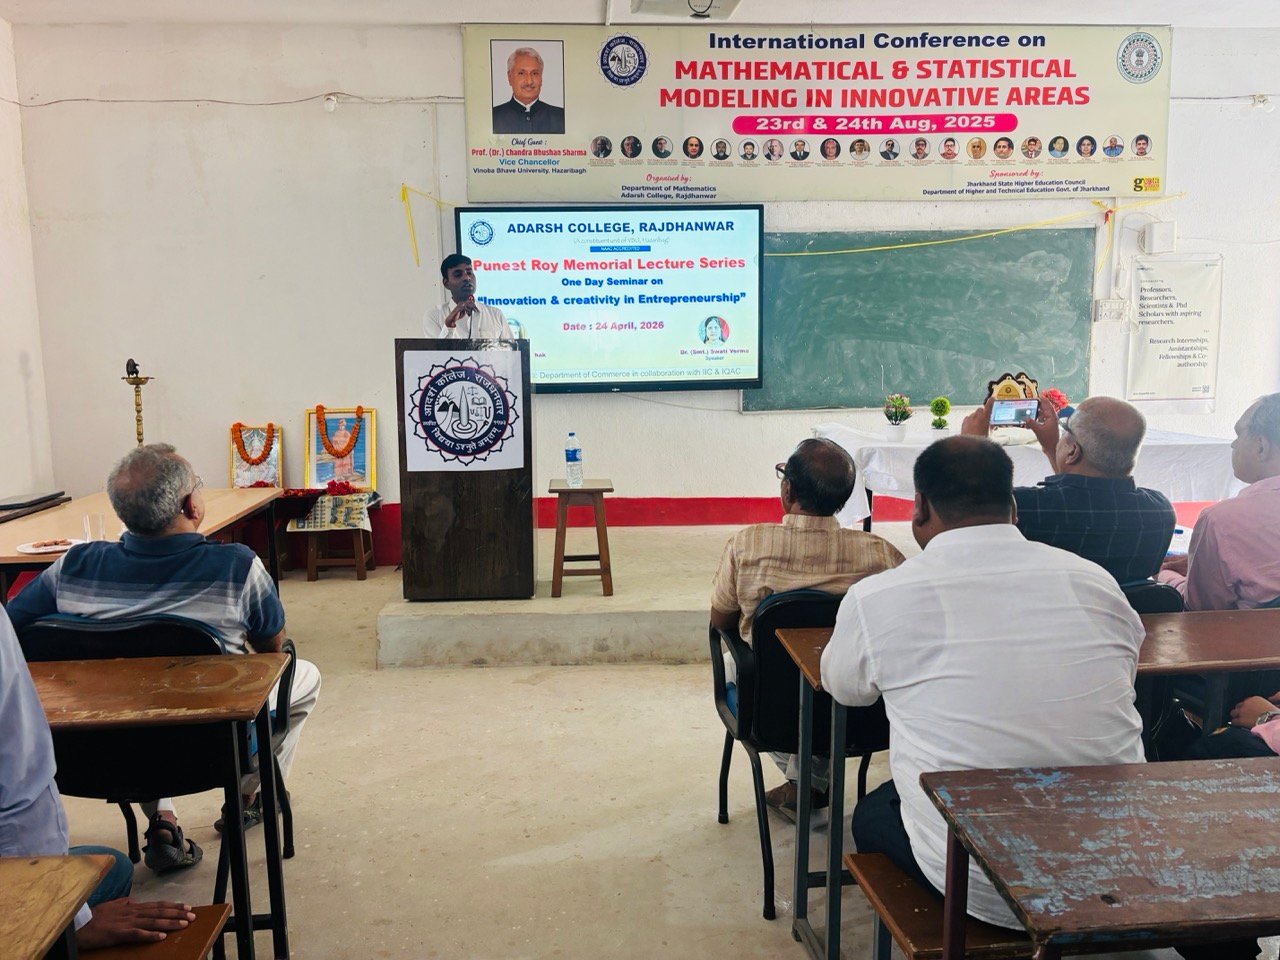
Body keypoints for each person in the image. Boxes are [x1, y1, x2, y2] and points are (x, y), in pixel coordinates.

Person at [820, 436, 1146, 930]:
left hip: (982, 885)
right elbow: (1125, 674)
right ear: (1013, 507)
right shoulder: (1093, 581)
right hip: (1120, 863)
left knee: (872, 813)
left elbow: (845, 688)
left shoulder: (879, 596)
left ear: (919, 507)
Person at [8, 444, 323, 873]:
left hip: (90, 755)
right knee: (303, 675)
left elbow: (11, 632)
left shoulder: (74, 566)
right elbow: (272, 652)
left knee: (129, 691)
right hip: (210, 753)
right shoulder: (237, 567)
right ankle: (248, 794)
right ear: (191, 505)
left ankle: (162, 819)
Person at [711, 439, 904, 820]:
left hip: (769, 712)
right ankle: (808, 783)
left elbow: (720, 620)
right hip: (858, 710)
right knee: (823, 676)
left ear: (787, 490)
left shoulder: (747, 545)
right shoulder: (882, 554)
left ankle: (806, 783)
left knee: (749, 667)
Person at [0, 606, 200, 950]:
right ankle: (241, 798)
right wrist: (69, 919)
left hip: (88, 757)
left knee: (112, 862)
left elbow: (21, 615)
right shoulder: (239, 576)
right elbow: (19, 785)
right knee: (112, 868)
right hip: (191, 750)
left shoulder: (65, 577)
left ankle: (163, 814)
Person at [961, 395, 1176, 583]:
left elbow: (970, 516)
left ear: (1073, 451)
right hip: (1130, 616)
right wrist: (1052, 447)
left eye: (1066, 430)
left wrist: (973, 448)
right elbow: (1080, 499)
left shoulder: (1025, 509)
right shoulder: (1160, 512)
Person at [1158, 393, 1280, 609]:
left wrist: (1165, 575)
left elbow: (1201, 610)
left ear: (1261, 446)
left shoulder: (1223, 521)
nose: (1233, 444)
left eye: (1239, 434)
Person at [423, 253, 514, 340]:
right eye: (458, 274)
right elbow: (436, 351)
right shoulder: (434, 316)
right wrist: (448, 327)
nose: (467, 278)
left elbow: (511, 350)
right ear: (446, 283)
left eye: (469, 272)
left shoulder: (495, 314)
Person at [491, 46, 565, 135]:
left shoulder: (561, 117)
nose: (529, 81)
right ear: (510, 77)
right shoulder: (492, 117)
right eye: (521, 73)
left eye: (535, 73)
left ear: (541, 78)